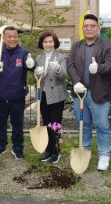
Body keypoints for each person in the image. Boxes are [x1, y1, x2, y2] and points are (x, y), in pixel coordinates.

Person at [67, 13, 111, 171]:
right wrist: (76, 82)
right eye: (86, 26)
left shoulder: (106, 45)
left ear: (98, 28)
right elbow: (70, 65)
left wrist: (99, 68)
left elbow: (110, 64)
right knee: (83, 125)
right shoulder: (76, 46)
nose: (89, 28)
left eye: (92, 26)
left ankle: (104, 155)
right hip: (79, 93)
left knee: (102, 125)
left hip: (99, 93)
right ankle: (85, 149)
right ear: (82, 29)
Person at [0, 26, 35, 160]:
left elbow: (31, 68)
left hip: (17, 96)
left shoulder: (23, 52)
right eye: (10, 36)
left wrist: (32, 65)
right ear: (4, 38)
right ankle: (0, 146)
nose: (13, 39)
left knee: (17, 123)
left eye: (15, 36)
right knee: (0, 123)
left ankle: (17, 148)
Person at [34, 32, 69, 163]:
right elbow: (37, 78)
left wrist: (58, 69)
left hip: (56, 94)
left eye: (50, 41)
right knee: (46, 122)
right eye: (45, 42)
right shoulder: (39, 58)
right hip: (43, 94)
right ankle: (48, 149)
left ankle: (56, 150)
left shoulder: (60, 57)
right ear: (41, 44)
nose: (48, 44)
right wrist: (36, 74)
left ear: (54, 43)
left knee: (55, 123)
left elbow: (64, 75)